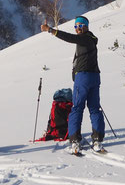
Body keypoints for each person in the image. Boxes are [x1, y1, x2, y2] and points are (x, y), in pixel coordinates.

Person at [41, 16, 105, 154]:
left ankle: (75, 140)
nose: (78, 28)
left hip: (83, 78)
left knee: (77, 108)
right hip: (94, 77)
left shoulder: (85, 38)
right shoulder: (91, 39)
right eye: (76, 26)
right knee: (94, 108)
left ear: (87, 26)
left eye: (81, 25)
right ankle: (97, 140)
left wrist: (50, 30)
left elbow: (70, 38)